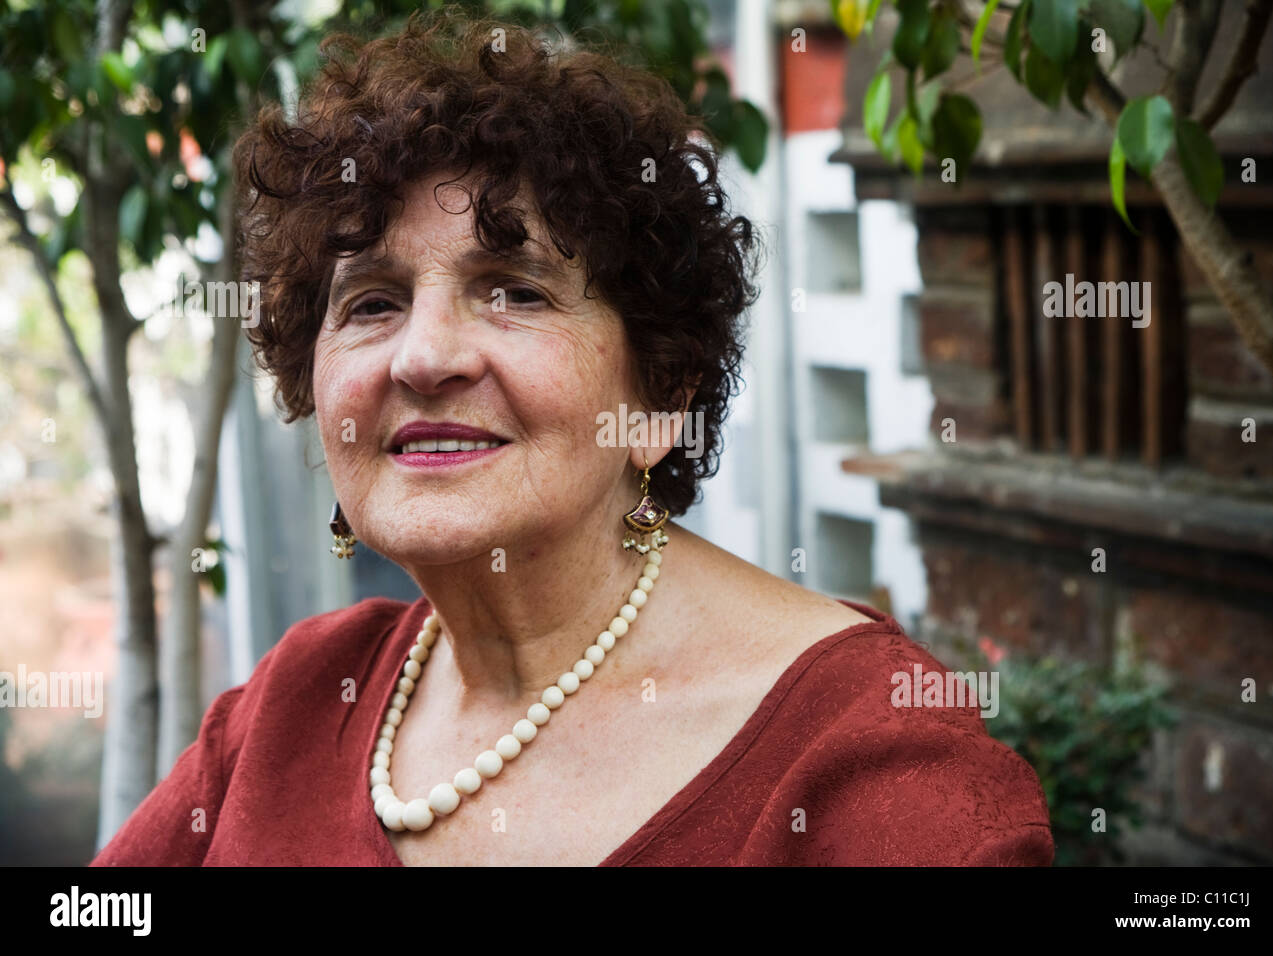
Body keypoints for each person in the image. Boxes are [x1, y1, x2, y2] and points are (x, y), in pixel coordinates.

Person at [92, 12, 1052, 866]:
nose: (423, 358)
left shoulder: (875, 776)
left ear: (663, 391)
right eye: (373, 302)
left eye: (516, 291)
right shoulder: (292, 706)